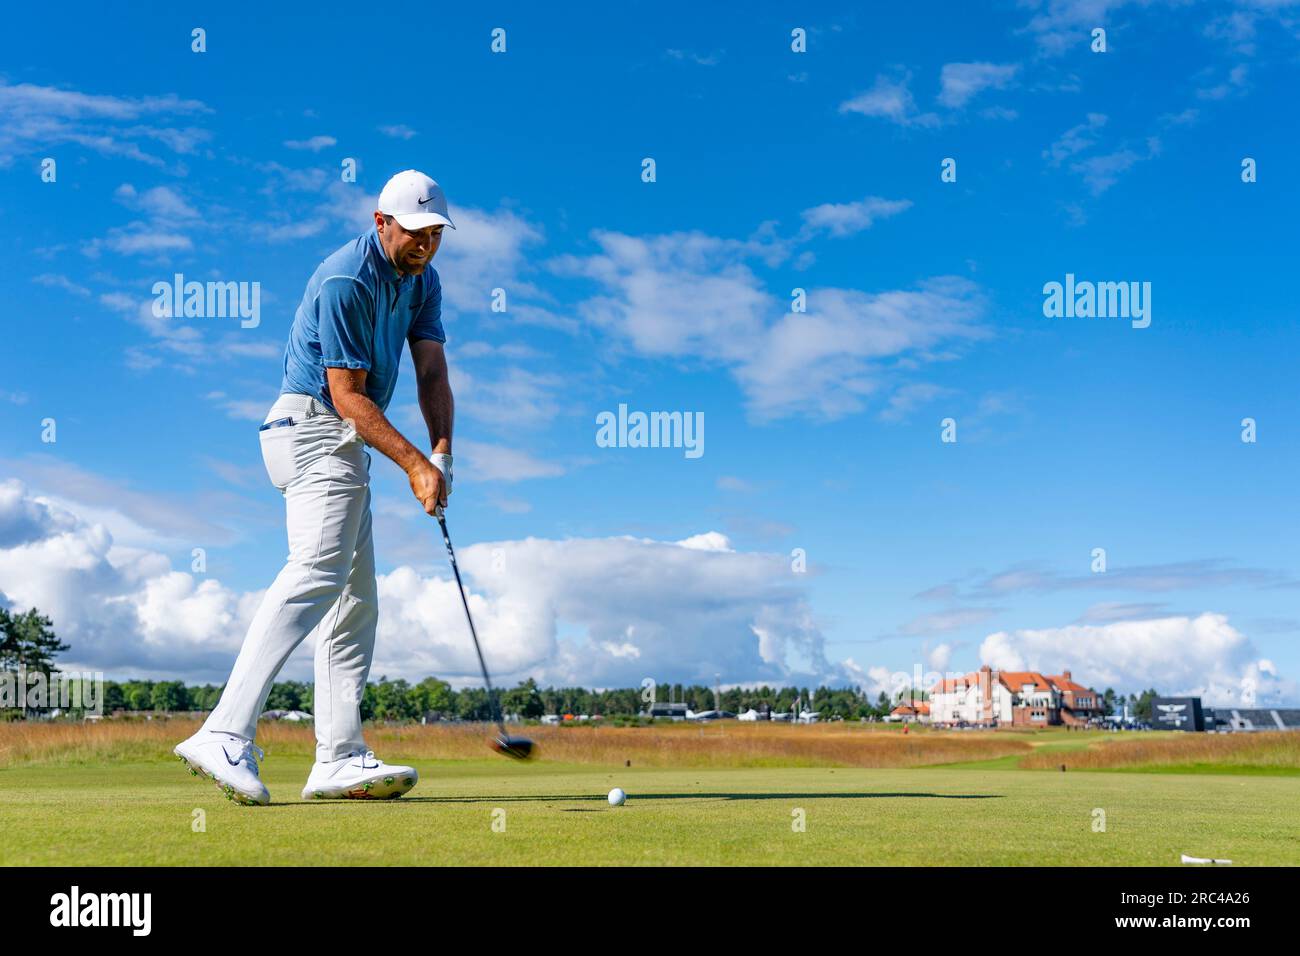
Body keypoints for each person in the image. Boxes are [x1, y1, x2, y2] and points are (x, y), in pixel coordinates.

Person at [174, 170, 456, 805]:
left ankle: (339, 756)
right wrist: (414, 466)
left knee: (355, 600)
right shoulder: (345, 279)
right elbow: (346, 396)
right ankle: (223, 731)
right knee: (318, 570)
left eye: (435, 234)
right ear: (381, 222)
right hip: (312, 428)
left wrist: (441, 454)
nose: (425, 245)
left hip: (344, 440)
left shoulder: (423, 282)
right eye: (414, 233)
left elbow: (431, 370)